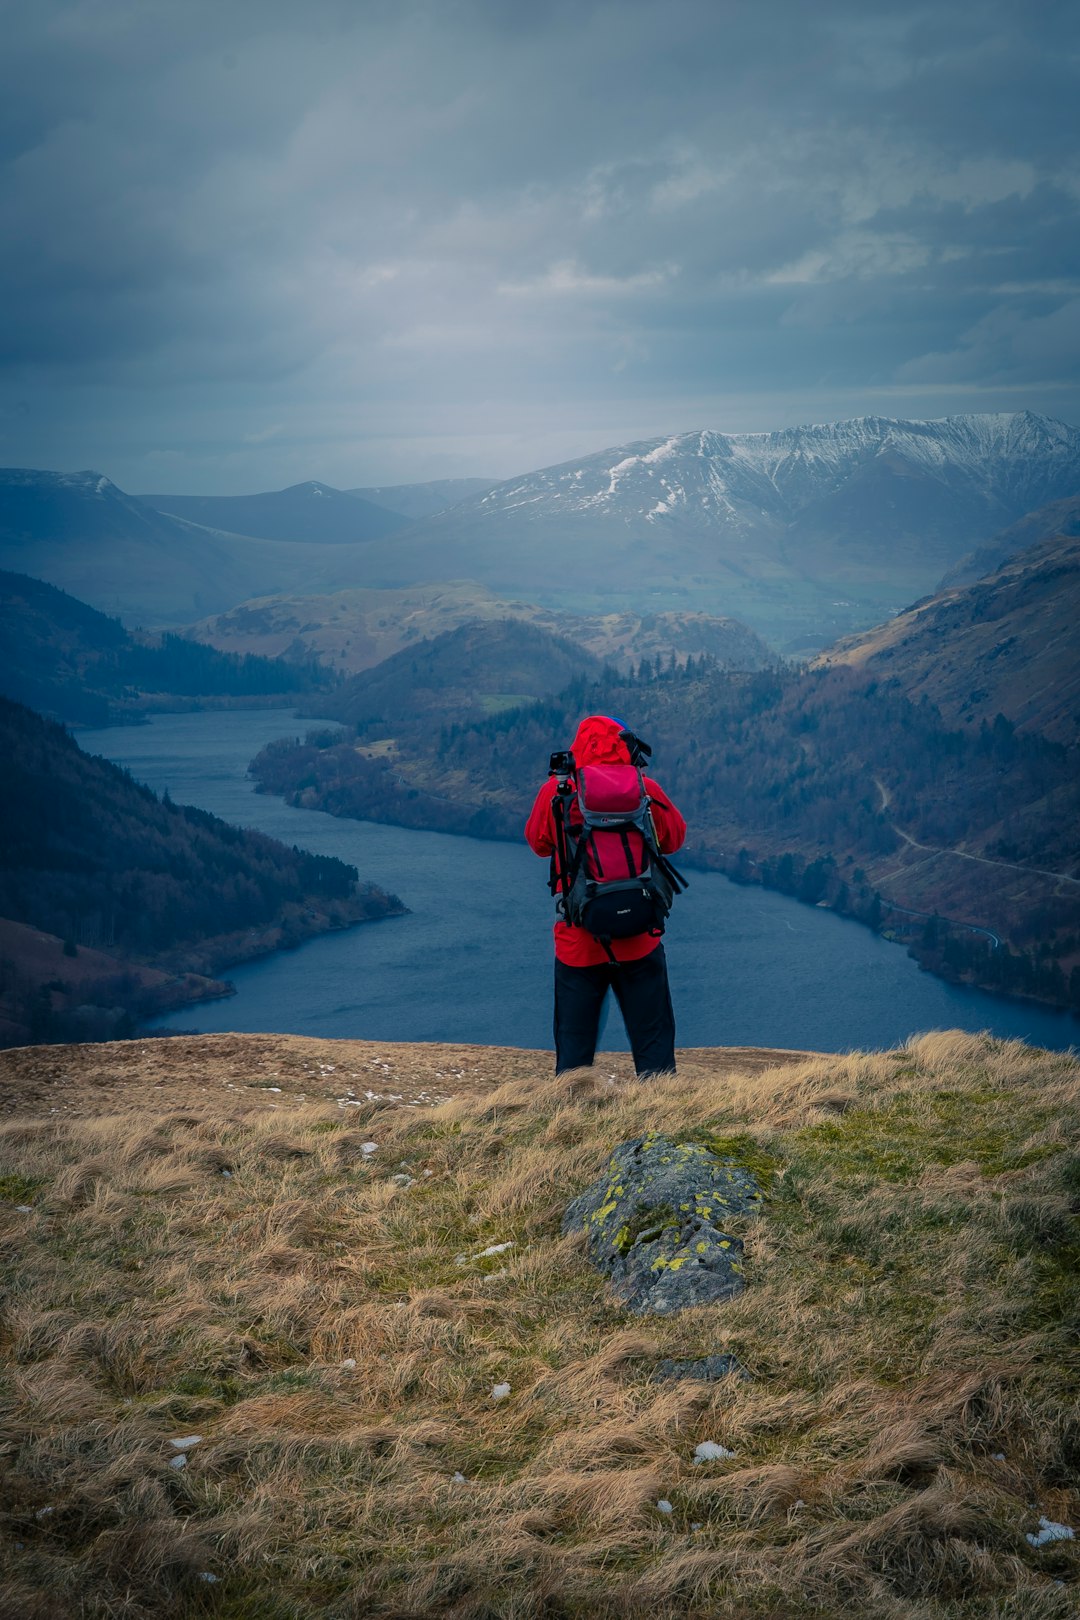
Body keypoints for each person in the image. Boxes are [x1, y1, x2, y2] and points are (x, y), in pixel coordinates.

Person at [524, 713, 686, 1077]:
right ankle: (665, 1127)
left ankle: (573, 1125)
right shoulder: (645, 788)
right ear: (624, 744)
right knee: (654, 1044)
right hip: (641, 938)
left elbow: (537, 843)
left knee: (575, 1051)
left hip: (579, 942)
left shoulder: (558, 792)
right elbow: (675, 838)